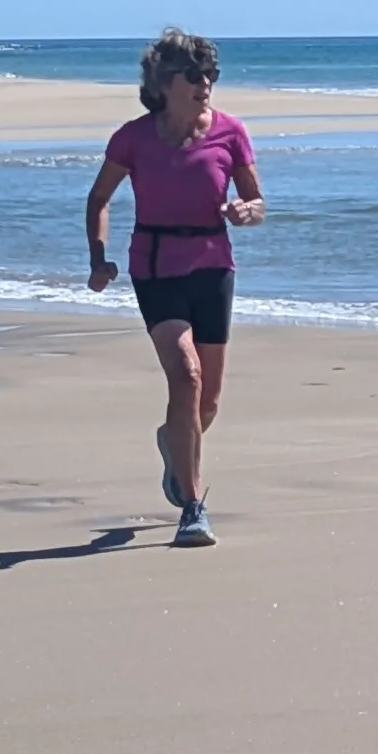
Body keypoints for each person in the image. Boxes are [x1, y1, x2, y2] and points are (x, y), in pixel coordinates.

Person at [78, 28, 262, 538]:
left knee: (208, 404)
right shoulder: (132, 138)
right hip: (155, 265)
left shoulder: (231, 132)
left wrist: (246, 213)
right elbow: (99, 199)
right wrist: (99, 258)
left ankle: (172, 444)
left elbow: (257, 202)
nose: (207, 82)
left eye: (212, 74)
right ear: (164, 82)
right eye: (195, 74)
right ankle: (193, 507)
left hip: (213, 266)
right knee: (186, 376)